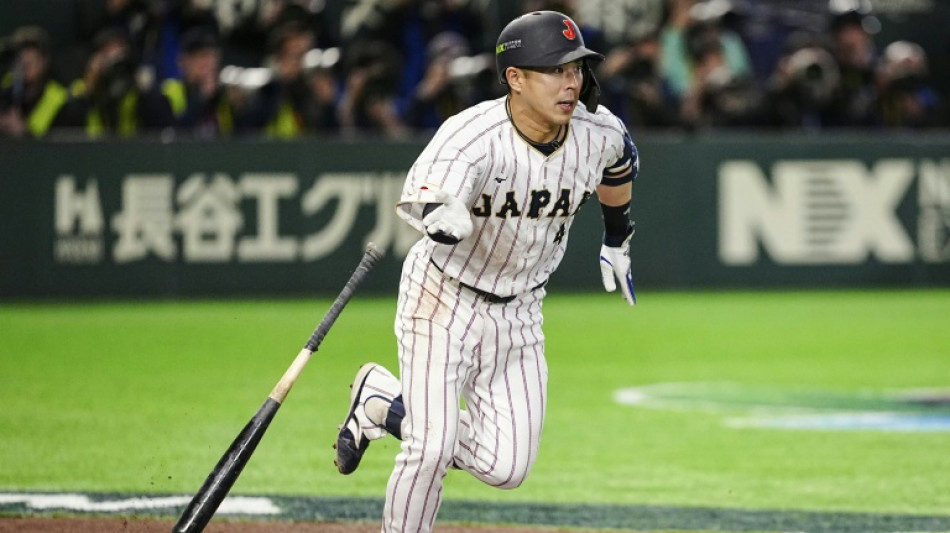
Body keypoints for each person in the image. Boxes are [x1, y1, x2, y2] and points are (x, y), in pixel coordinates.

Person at [331, 10, 639, 533]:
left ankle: (383, 402)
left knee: (506, 468)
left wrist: (616, 235)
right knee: (429, 450)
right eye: (555, 70)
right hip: (443, 297)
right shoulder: (472, 135)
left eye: (576, 68)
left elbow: (619, 164)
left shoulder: (597, 131)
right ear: (514, 78)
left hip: (521, 310)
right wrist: (439, 212)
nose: (571, 82)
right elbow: (424, 194)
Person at [0, 26, 69, 138]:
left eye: (32, 60)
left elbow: (64, 143)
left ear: (44, 61)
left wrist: (24, 132)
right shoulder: (6, 91)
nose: (25, 64)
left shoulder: (60, 99)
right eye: (20, 60)